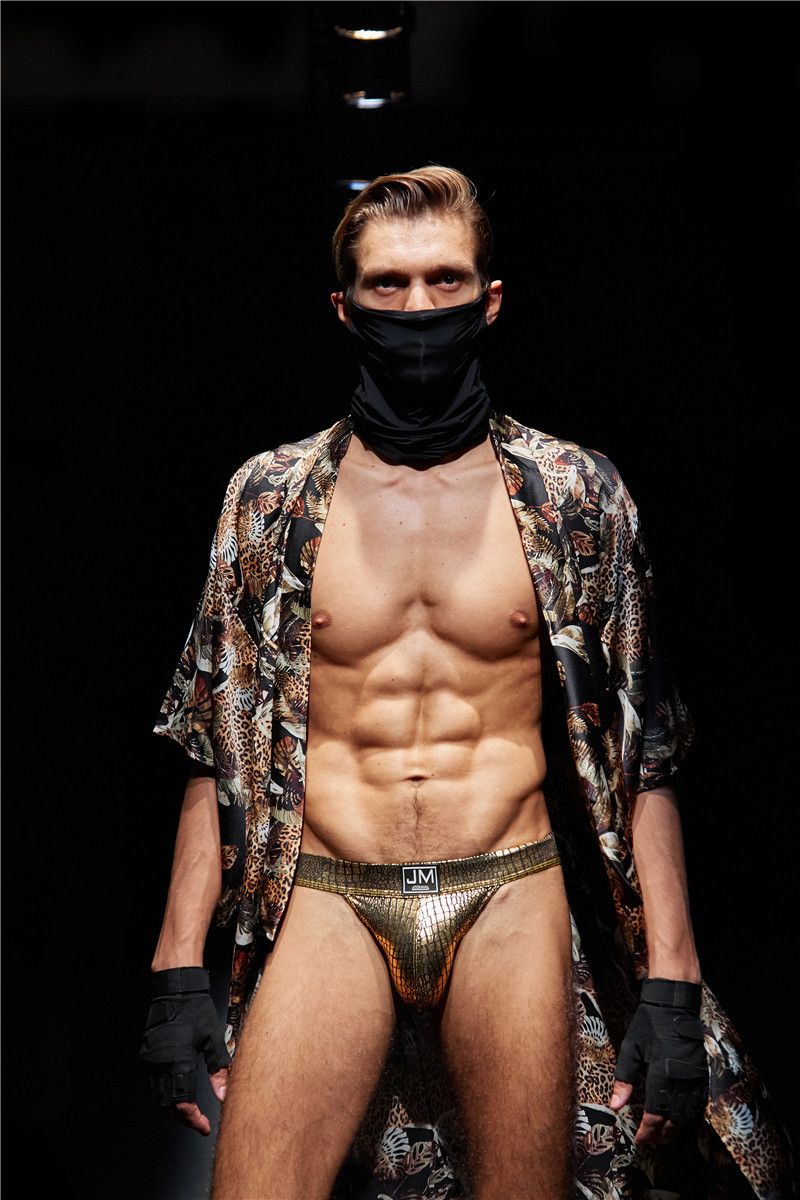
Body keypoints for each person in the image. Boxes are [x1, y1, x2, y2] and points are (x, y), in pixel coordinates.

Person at [141, 167, 795, 1200]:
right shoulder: (269, 499)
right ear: (343, 306)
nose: (416, 308)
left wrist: (672, 979)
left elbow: (642, 755)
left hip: (508, 888)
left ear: (489, 300)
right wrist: (178, 968)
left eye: (443, 280)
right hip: (332, 891)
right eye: (387, 284)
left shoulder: (575, 496)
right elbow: (211, 740)